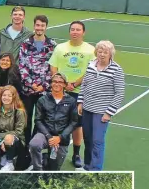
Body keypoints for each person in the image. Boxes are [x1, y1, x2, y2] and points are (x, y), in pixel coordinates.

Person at [49, 20, 95, 168]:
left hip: (79, 93)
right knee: (56, 121)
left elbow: (91, 71)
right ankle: (53, 149)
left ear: (83, 32)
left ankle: (76, 154)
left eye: (78, 29)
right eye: (72, 29)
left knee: (76, 125)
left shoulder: (90, 50)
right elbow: (53, 67)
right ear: (69, 31)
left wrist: (74, 84)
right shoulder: (60, 48)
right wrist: (60, 84)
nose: (75, 32)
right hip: (60, 92)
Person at [77, 41, 125, 171]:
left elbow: (119, 93)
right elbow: (85, 85)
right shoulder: (90, 65)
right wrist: (80, 102)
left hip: (101, 112)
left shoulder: (116, 69)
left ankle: (96, 169)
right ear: (96, 52)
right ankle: (87, 166)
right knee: (87, 139)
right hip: (87, 108)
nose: (102, 54)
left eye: (105, 52)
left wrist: (109, 113)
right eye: (100, 51)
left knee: (97, 141)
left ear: (110, 54)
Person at [17, 15, 57, 147]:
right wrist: (32, 84)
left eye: (42, 25)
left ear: (46, 27)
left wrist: (43, 86)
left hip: (44, 91)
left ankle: (34, 145)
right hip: (27, 90)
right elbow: (22, 66)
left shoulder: (52, 45)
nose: (39, 28)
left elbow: (53, 68)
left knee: (40, 120)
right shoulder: (25, 43)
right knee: (26, 119)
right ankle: (24, 146)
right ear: (34, 26)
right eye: (37, 25)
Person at [29, 73, 79, 171]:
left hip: (61, 137)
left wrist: (60, 137)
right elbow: (38, 120)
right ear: (51, 84)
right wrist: (49, 136)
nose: (57, 84)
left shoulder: (71, 101)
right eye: (55, 81)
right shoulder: (42, 100)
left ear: (65, 85)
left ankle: (46, 158)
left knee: (54, 169)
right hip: (45, 134)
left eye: (60, 82)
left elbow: (74, 122)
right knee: (34, 144)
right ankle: (37, 170)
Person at [0, 86, 27, 171]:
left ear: (14, 97)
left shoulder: (19, 112)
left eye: (9, 95)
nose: (6, 98)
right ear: (1, 96)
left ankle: (10, 163)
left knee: (8, 138)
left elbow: (18, 131)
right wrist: (0, 141)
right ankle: (5, 154)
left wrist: (1, 137)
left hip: (17, 141)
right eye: (4, 95)